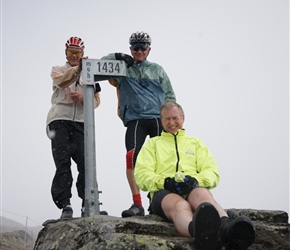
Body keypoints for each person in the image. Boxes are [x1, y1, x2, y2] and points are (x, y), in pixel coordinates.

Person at [134, 101, 255, 250]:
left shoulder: (195, 143)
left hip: (191, 188)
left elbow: (212, 172)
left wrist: (195, 181)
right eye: (167, 119)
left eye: (175, 118)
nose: (172, 123)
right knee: (180, 205)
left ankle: (227, 228)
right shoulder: (153, 144)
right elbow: (142, 175)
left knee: (203, 195)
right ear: (161, 121)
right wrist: (165, 182)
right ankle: (199, 232)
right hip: (163, 192)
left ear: (183, 118)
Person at [101, 31, 176, 218]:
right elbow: (98, 67)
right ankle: (137, 204)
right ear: (130, 49)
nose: (139, 51)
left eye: (143, 47)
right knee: (131, 157)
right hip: (135, 119)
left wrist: (173, 121)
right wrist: (117, 56)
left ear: (149, 49)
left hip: (157, 119)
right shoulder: (123, 68)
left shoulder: (157, 70)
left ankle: (156, 203)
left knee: (161, 162)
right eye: (136, 47)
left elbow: (170, 96)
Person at [46, 36, 102, 219]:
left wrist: (84, 98)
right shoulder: (58, 69)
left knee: (86, 164)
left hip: (80, 122)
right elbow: (61, 82)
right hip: (59, 120)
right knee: (63, 162)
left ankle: (88, 203)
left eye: (77, 53)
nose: (74, 56)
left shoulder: (91, 73)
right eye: (71, 52)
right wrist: (77, 70)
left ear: (83, 53)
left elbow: (96, 101)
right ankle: (65, 205)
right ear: (66, 52)